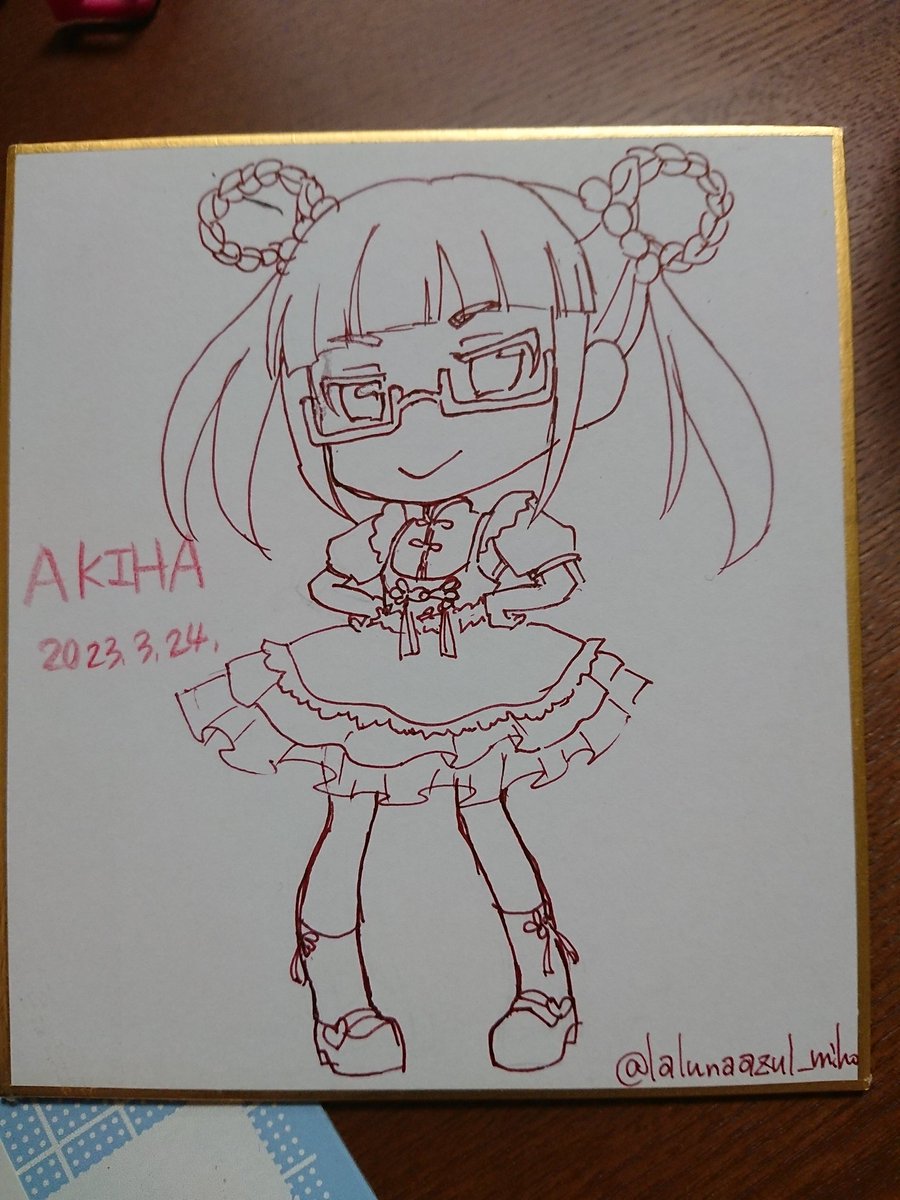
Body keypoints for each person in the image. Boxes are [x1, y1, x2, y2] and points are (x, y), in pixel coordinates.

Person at [164, 146, 773, 1077]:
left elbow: (553, 579)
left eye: (493, 368)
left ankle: (542, 984)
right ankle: (339, 998)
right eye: (358, 394)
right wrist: (359, 596)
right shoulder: (378, 530)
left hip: (480, 667)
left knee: (486, 814)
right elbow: (332, 583)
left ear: (587, 374)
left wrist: (502, 592)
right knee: (347, 818)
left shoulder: (510, 520)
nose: (419, 428)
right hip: (369, 671)